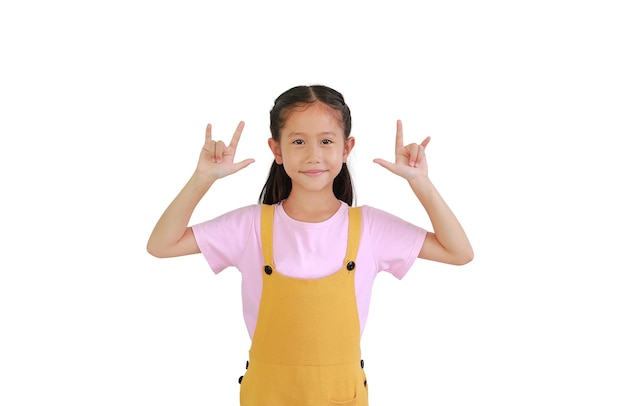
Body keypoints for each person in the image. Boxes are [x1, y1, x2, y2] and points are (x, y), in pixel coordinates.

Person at [147, 84, 473, 405]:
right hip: (267, 396)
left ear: (347, 149)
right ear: (277, 150)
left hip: (341, 397)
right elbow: (162, 244)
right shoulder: (251, 226)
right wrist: (203, 178)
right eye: (298, 141)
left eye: (326, 141)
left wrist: (421, 183)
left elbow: (458, 252)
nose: (313, 155)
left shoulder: (370, 228)